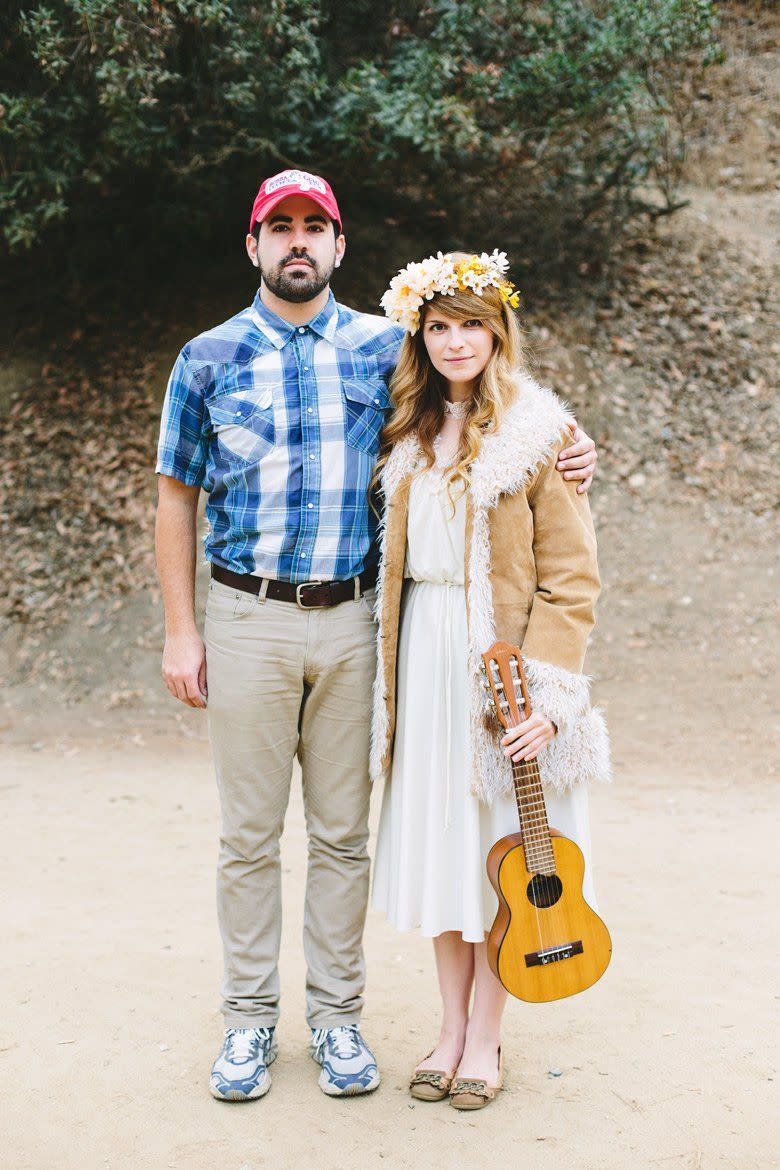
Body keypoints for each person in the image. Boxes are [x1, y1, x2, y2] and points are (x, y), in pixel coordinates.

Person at [154, 170, 599, 1102]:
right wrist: (181, 629)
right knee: (252, 835)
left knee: (348, 836)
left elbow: (500, 419)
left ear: (341, 245)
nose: (298, 242)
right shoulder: (210, 357)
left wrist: (571, 442)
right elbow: (174, 496)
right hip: (256, 619)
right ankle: (247, 1024)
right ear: (254, 245)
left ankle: (339, 1022)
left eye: (316, 226)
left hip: (371, 626)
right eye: (281, 228)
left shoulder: (378, 352)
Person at [370, 249, 610, 1110]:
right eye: (439, 326)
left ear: (497, 330)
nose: (456, 341)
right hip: (423, 665)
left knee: (500, 855)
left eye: (472, 323)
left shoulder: (539, 433)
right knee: (444, 853)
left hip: (499, 671)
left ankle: (486, 1036)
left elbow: (571, 579)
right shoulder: (403, 430)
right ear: (421, 338)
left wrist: (548, 699)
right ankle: (445, 1027)